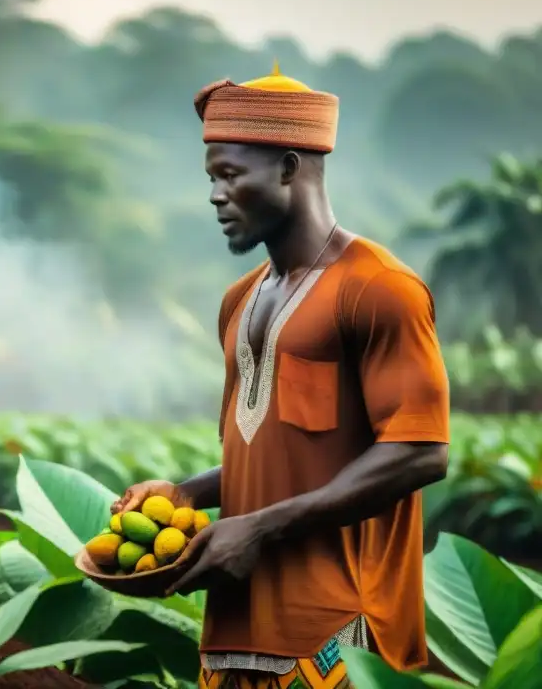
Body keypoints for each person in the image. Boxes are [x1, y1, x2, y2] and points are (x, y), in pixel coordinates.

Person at [111, 63, 450, 689]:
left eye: (230, 175)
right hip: (232, 640)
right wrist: (185, 494)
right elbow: (276, 449)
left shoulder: (379, 290)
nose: (215, 195)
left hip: (340, 639)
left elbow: (420, 453)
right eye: (211, 178)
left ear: (290, 168)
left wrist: (261, 529)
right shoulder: (239, 300)